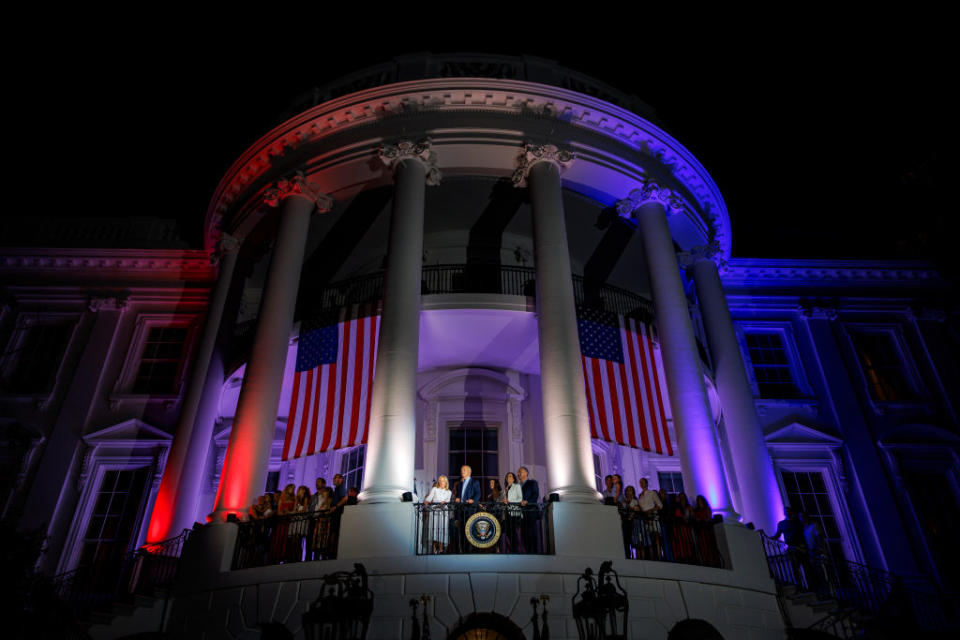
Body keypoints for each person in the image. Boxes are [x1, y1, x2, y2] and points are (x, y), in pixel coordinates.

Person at [423, 475, 452, 553]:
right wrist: (426, 503)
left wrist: (444, 502)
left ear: (446, 482)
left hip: (443, 513)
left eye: (443, 481)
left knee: (442, 529)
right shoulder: (435, 489)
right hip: (435, 512)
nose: (442, 482)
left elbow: (448, 501)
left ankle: (441, 549)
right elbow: (428, 499)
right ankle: (434, 549)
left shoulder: (449, 492)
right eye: (440, 480)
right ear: (439, 482)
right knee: (434, 529)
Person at [636, 478, 663, 559]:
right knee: (648, 538)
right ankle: (650, 556)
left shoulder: (652, 493)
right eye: (640, 482)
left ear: (647, 483)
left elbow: (660, 505)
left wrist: (650, 510)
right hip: (645, 520)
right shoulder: (640, 496)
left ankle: (659, 555)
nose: (642, 484)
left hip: (653, 517)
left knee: (656, 536)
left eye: (643, 482)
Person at [518, 466, 540, 553]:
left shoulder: (532, 483)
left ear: (526, 473)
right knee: (524, 534)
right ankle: (527, 552)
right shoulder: (517, 486)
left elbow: (535, 495)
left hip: (531, 512)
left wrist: (527, 502)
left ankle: (534, 553)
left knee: (531, 533)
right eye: (518, 472)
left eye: (521, 471)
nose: (519, 473)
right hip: (522, 514)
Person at [502, 472, 523, 552]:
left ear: (513, 478)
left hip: (514, 512)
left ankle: (516, 550)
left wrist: (509, 501)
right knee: (508, 531)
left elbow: (520, 499)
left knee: (513, 531)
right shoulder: (505, 489)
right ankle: (512, 549)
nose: (508, 477)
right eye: (507, 476)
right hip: (506, 512)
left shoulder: (517, 486)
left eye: (510, 476)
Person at [619, 485, 641, 558]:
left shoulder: (635, 501)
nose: (629, 492)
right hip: (625, 522)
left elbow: (636, 509)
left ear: (633, 492)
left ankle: (638, 556)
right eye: (627, 490)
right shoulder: (624, 500)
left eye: (630, 490)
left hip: (633, 522)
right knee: (626, 539)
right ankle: (628, 555)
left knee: (634, 539)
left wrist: (629, 507)